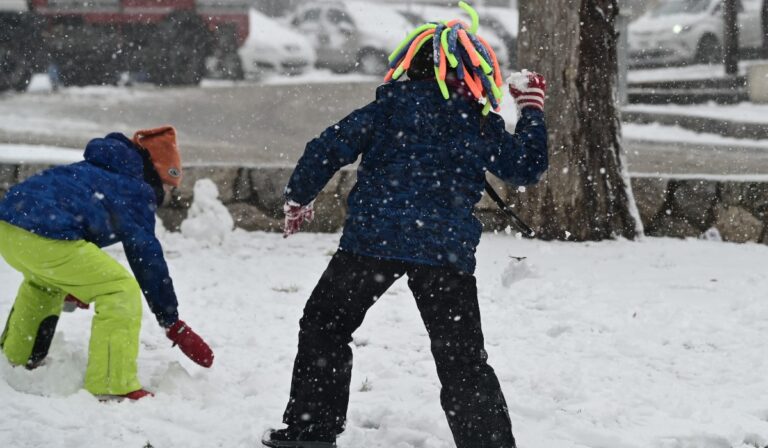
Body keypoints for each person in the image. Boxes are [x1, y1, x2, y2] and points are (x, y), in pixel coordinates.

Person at [263, 6, 548, 448]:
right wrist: (530, 110)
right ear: (475, 70)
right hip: (444, 253)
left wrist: (299, 196)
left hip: (371, 244)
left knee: (325, 325)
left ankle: (311, 430)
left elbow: (326, 148)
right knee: (462, 362)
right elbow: (526, 168)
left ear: (411, 64)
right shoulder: (477, 122)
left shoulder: (387, 109)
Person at [0, 126, 214, 400]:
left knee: (43, 284)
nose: (165, 194)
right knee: (119, 289)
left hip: (9, 226)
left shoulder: (101, 170)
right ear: (155, 172)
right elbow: (147, 257)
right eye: (165, 185)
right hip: (47, 235)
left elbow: (72, 209)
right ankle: (113, 382)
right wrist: (170, 320)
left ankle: (17, 356)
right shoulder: (136, 189)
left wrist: (75, 280)